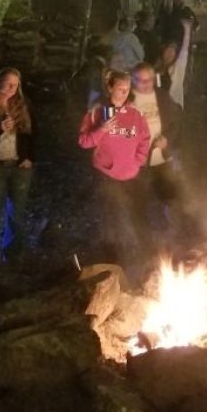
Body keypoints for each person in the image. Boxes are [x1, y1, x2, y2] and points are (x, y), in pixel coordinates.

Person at [78, 70, 151, 276]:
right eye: (120, 89)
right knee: (113, 219)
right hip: (107, 175)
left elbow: (145, 138)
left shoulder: (135, 114)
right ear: (109, 88)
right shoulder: (97, 112)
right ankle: (112, 263)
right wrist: (101, 129)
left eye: (127, 90)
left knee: (135, 216)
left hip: (132, 175)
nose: (123, 93)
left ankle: (140, 260)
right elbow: (84, 142)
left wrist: (138, 160)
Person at [130, 61, 188, 240]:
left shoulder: (162, 96)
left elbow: (176, 122)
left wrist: (167, 140)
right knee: (140, 198)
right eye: (142, 81)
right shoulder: (126, 101)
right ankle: (143, 235)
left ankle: (174, 233)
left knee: (170, 195)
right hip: (138, 162)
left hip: (162, 159)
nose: (147, 85)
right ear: (133, 80)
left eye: (150, 80)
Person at [0, 68, 35, 264]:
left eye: (16, 84)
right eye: (8, 83)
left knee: (17, 214)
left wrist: (29, 156)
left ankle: (12, 256)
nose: (12, 88)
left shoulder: (22, 105)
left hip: (19, 165)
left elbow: (33, 133)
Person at [155, 17, 194, 108]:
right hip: (160, 106)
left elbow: (184, 50)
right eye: (168, 50)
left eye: (173, 51)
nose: (170, 53)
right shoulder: (158, 67)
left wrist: (187, 29)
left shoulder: (177, 68)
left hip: (174, 106)